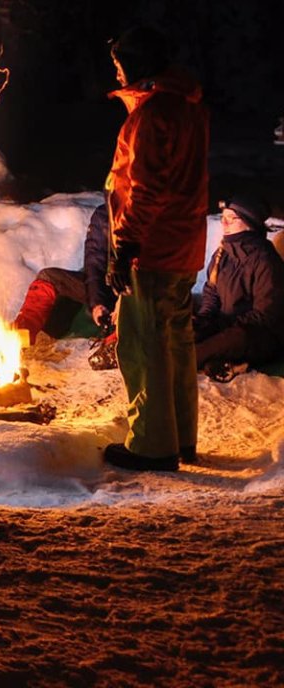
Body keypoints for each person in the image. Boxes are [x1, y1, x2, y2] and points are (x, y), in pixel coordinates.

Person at [103, 25, 209, 472]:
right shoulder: (188, 108)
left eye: (119, 62)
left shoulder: (152, 116)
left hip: (153, 247)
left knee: (144, 344)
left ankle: (152, 446)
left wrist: (126, 244)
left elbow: (146, 190)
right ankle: (181, 438)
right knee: (175, 341)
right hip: (183, 244)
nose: (116, 71)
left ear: (139, 62)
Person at [194, 194, 284, 381]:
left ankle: (187, 362)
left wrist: (224, 330)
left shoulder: (265, 260)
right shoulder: (222, 254)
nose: (224, 223)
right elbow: (211, 294)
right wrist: (204, 321)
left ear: (249, 223)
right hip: (227, 326)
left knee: (223, 342)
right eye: (223, 217)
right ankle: (220, 361)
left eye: (231, 218)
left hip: (256, 334)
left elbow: (265, 315)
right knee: (192, 332)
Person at [13, 202, 116, 345]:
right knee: (49, 278)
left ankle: (116, 343)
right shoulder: (105, 214)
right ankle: (20, 335)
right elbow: (94, 261)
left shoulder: (144, 212)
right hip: (110, 286)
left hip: (138, 294)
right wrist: (97, 301)